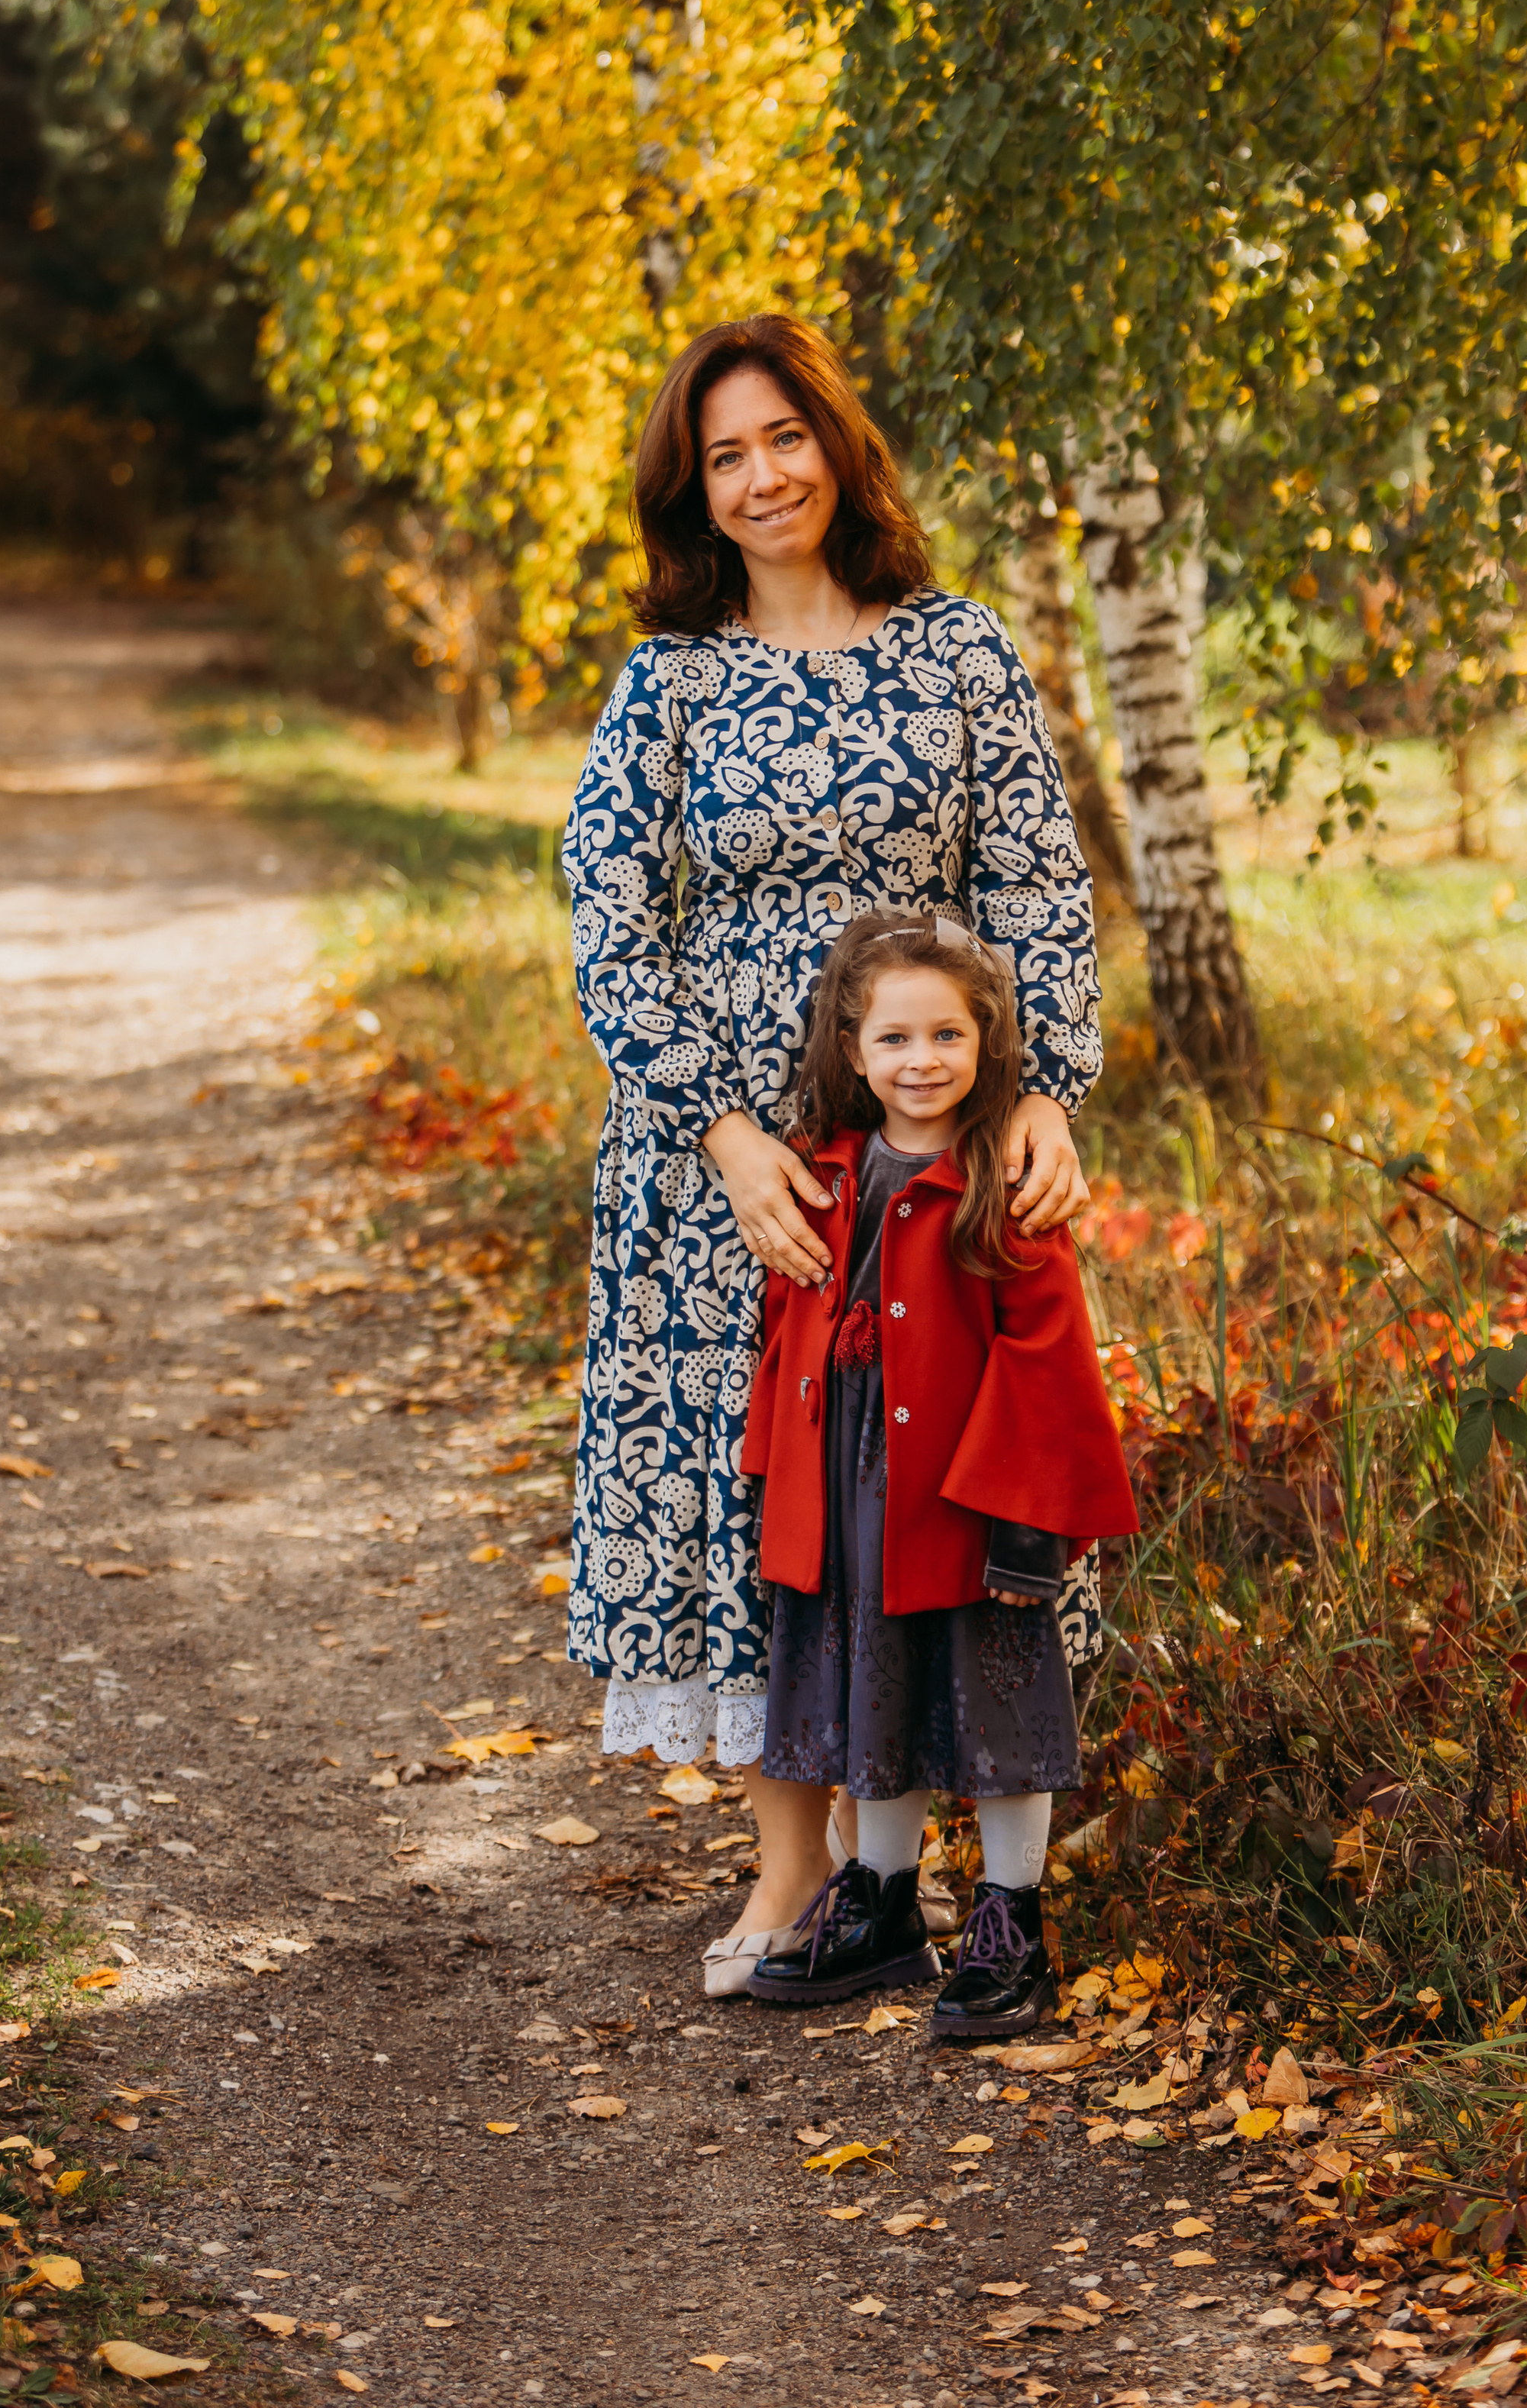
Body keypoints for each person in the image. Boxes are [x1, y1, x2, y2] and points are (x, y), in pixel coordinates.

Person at [561, 313, 1102, 2000]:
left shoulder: (956, 650)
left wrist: (1045, 1094)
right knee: (768, 1501)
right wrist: (720, 1133)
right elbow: (608, 916)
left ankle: (951, 1872)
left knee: (930, 1490)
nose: (760, 477)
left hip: (931, 1152)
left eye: (782, 437)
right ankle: (799, 1868)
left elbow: (1037, 883)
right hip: (728, 1168)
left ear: (836, 444)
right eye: (722, 456)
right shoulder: (670, 680)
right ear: (693, 491)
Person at [739, 912, 1137, 2035]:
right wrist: (776, 1468)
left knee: (998, 1701)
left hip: (970, 1498)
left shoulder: (1004, 1180)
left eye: (948, 1035)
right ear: (853, 1050)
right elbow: (787, 1332)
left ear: (987, 1043)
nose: (922, 1060)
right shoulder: (826, 1170)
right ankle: (881, 1901)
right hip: (852, 1493)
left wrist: (1030, 1524)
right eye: (896, 1039)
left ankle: (1012, 1922)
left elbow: (1050, 1357)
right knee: (878, 1688)